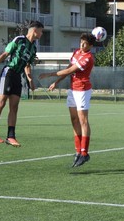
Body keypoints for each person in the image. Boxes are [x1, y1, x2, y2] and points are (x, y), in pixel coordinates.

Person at [38, 32, 96, 167]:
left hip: (82, 89)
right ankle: (78, 152)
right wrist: (56, 82)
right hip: (72, 89)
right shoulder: (76, 52)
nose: (82, 44)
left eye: (85, 43)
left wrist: (50, 74)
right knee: (74, 120)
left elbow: (71, 70)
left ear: (90, 46)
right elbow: (68, 69)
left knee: (83, 120)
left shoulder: (88, 58)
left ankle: (84, 153)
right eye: (81, 41)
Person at [0, 20, 44, 147]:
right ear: (35, 31)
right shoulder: (19, 40)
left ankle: (11, 136)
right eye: (41, 31)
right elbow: (6, 53)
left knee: (14, 107)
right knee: (1, 103)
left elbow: (27, 65)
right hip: (8, 72)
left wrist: (30, 81)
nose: (42, 34)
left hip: (18, 76)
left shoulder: (33, 48)